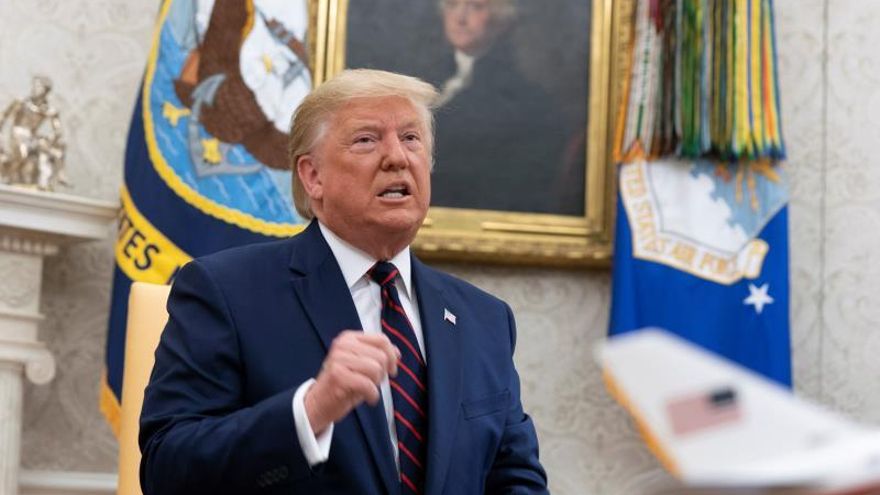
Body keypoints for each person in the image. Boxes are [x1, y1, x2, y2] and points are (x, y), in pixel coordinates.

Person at [139, 69, 549, 495]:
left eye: (410, 138)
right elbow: (167, 469)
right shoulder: (227, 292)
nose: (397, 157)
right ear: (313, 176)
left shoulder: (484, 318)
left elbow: (515, 477)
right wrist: (310, 412)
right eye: (366, 140)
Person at [425, 0, 578, 215]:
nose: (460, 18)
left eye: (476, 7)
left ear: (500, 20)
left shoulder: (526, 101)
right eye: (452, 5)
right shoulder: (425, 75)